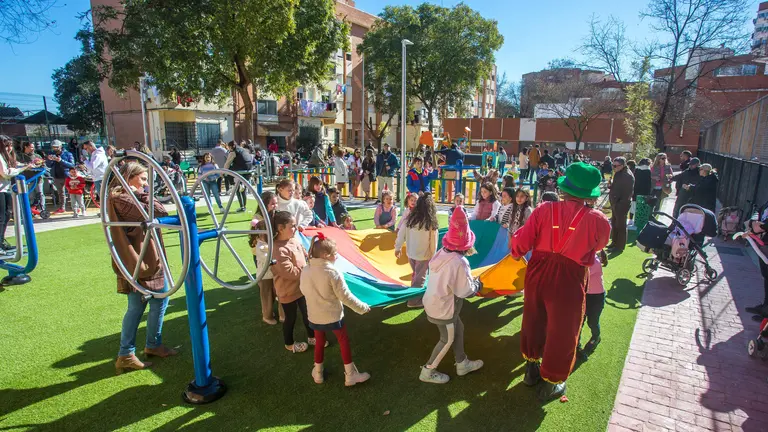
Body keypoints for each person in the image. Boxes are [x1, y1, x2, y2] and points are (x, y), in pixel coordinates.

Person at [509, 162, 611, 401]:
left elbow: (520, 243)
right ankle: (552, 380)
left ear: (564, 187)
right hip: (570, 276)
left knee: (534, 319)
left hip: (537, 272)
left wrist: (516, 251)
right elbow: (599, 245)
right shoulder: (598, 219)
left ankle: (531, 370)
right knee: (563, 329)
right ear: (590, 193)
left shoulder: (543, 209)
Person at [108, 162, 178, 373]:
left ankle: (151, 344)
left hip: (143, 257)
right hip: (138, 261)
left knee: (158, 299)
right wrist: (144, 194)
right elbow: (159, 210)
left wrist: (141, 193)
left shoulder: (124, 198)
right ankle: (126, 353)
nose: (146, 184)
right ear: (129, 178)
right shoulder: (121, 199)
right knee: (138, 305)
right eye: (143, 179)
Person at [419, 206, 483, 384]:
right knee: (447, 339)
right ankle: (427, 371)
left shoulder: (442, 253)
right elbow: (465, 291)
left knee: (458, 328)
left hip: (435, 302)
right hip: (444, 309)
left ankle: (462, 362)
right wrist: (477, 284)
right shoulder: (460, 262)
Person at [300, 233, 371, 386]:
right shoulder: (333, 272)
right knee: (343, 341)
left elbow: (303, 290)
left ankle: (317, 372)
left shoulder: (305, 270)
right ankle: (350, 374)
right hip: (333, 316)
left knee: (319, 340)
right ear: (326, 255)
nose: (337, 257)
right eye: (335, 254)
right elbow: (346, 297)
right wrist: (363, 308)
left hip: (314, 316)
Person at [270, 211, 315, 353]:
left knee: (308, 313)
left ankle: (312, 336)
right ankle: (289, 343)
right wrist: (308, 271)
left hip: (302, 287)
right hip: (287, 291)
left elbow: (304, 254)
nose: (295, 228)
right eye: (292, 226)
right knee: (291, 318)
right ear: (280, 228)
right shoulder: (277, 248)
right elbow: (288, 272)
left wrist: (312, 259)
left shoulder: (294, 240)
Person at [395, 193, 439, 308]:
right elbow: (433, 241)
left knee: (416, 275)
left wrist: (398, 247)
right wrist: (433, 255)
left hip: (411, 253)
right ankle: (413, 301)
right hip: (423, 255)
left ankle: (411, 295)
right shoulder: (430, 222)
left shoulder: (410, 219)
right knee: (420, 278)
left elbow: (401, 234)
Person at [0, 136, 35, 252]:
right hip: (1, 189)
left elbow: (15, 165)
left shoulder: (6, 157)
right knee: (1, 217)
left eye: (10, 145)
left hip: (5, 189)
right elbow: (5, 173)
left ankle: (1, 241)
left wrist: (29, 165)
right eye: (6, 146)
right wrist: (24, 167)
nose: (9, 148)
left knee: (6, 215)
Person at [250, 215, 284, 325]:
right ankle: (267, 316)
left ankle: (282, 315)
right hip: (265, 276)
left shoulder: (268, 243)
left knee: (278, 293)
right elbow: (269, 258)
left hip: (273, 274)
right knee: (267, 296)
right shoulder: (261, 246)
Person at [577, 250, 608, 361]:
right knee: (580, 321)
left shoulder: (594, 261)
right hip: (585, 296)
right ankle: (577, 346)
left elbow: (581, 276)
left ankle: (596, 337)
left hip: (596, 298)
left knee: (592, 322)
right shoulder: (584, 258)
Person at [607, 157, 634, 253]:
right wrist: (610, 185)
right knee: (614, 223)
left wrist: (619, 204)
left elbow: (627, 193)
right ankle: (614, 242)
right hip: (615, 202)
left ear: (622, 165)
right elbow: (616, 187)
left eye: (615, 166)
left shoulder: (627, 176)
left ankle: (619, 246)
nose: (613, 167)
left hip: (621, 204)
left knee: (621, 225)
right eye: (613, 165)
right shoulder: (618, 173)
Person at [46, 140, 76, 214]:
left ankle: (75, 207)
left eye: (56, 147)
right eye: (53, 147)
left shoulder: (68, 154)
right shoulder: (51, 154)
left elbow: (72, 165)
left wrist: (61, 160)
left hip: (67, 175)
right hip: (56, 175)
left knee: (71, 192)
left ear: (60, 146)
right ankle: (62, 207)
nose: (55, 149)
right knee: (60, 193)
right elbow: (49, 165)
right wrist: (49, 160)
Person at [225, 140, 253, 212]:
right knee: (243, 191)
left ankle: (233, 184)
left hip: (239, 170)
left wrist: (223, 172)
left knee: (237, 189)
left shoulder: (233, 152)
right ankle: (244, 207)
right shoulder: (244, 150)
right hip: (248, 170)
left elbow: (227, 163)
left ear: (231, 147)